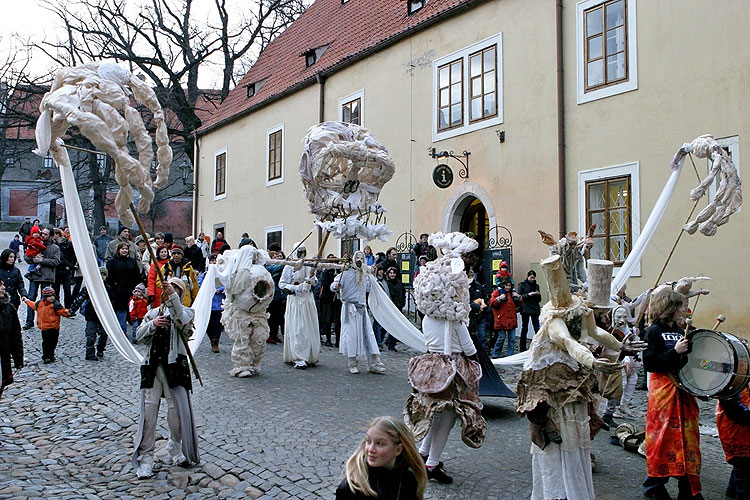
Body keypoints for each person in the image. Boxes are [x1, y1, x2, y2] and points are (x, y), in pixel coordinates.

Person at [515, 255, 644, 500]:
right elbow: (568, 342)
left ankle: (571, 491)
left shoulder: (579, 307)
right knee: (553, 434)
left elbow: (595, 332)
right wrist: (593, 361)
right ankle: (555, 493)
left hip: (571, 375)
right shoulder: (553, 320)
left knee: (574, 431)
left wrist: (621, 347)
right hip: (548, 378)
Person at [407, 232, 486, 485]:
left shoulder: (428, 318)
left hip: (431, 366)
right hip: (453, 369)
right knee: (448, 416)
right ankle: (431, 463)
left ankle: (422, 455)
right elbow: (469, 347)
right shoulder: (453, 319)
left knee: (434, 413)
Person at [132, 278, 199, 479]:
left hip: (174, 369)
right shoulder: (153, 313)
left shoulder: (186, 311)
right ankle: (146, 458)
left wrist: (173, 297)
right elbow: (139, 336)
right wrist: (152, 324)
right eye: (169, 288)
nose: (171, 291)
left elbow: (183, 321)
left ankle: (175, 447)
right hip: (152, 368)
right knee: (149, 416)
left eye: (177, 289)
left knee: (176, 415)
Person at [642, 287, 703, 500]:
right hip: (664, 393)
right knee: (663, 439)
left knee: (688, 439)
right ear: (669, 307)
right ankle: (654, 486)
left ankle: (689, 490)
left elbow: (688, 364)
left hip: (683, 391)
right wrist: (674, 351)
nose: (684, 310)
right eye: (680, 306)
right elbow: (650, 363)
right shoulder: (653, 331)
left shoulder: (680, 331)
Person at [336, 416, 427, 500]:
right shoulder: (353, 486)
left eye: (380, 444)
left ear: (398, 450)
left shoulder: (408, 482)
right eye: (368, 441)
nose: (371, 449)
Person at [331, 251, 385, 374]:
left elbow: (368, 288)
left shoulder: (364, 274)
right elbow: (333, 285)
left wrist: (373, 277)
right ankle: (352, 363)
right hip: (349, 310)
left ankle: (373, 363)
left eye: (362, 258)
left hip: (362, 309)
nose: (360, 260)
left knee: (368, 335)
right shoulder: (345, 273)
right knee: (351, 336)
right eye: (358, 258)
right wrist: (336, 286)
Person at [279, 242, 320, 369]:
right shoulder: (289, 267)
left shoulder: (308, 265)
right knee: (298, 328)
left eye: (304, 252)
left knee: (309, 327)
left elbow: (314, 281)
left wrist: (311, 279)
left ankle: (309, 355)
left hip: (307, 300)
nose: (302, 255)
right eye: (299, 252)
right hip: (296, 302)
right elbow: (282, 284)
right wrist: (296, 287)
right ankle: (298, 356)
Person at [70, 268, 112, 360]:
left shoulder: (108, 289)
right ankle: (89, 353)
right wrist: (72, 309)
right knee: (91, 335)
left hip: (104, 316)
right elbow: (80, 299)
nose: (101, 276)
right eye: (100, 274)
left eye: (103, 275)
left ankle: (100, 349)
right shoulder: (89, 288)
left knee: (104, 334)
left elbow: (113, 303)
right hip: (91, 315)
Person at [716, 387, 750, 500]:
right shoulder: (732, 379)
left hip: (741, 435)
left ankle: (732, 492)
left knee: (742, 470)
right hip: (739, 435)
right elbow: (734, 410)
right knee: (744, 470)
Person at [23, 228, 60, 330]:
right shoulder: (35, 242)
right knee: (31, 298)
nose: (42, 235)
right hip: (34, 277)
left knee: (46, 301)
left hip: (47, 277)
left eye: (45, 234)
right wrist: (32, 259)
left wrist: (42, 260)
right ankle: (29, 321)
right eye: (42, 233)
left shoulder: (55, 248)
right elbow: (26, 256)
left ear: (50, 236)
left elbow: (56, 262)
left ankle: (45, 320)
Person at [23, 286, 70, 363]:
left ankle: (51, 354)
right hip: (45, 328)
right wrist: (27, 301)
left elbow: (61, 311)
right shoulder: (40, 303)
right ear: (45, 297)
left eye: (52, 296)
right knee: (46, 343)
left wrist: (66, 312)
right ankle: (46, 356)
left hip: (54, 327)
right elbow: (33, 305)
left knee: (54, 342)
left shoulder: (56, 304)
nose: (51, 298)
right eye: (49, 296)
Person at [107, 241, 143, 336]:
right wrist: (113, 289)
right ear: (118, 250)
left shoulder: (132, 261)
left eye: (126, 249)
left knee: (133, 311)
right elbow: (109, 278)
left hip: (131, 290)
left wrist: (137, 289)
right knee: (121, 311)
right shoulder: (112, 262)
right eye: (122, 249)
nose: (124, 250)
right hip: (118, 291)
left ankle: (136, 334)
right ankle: (122, 332)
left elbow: (137, 276)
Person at [0, 278, 24, 399]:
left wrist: (18, 359)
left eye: (3, 285)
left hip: (3, 357)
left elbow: (15, 335)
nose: (3, 288)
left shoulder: (9, 308)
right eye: (0, 286)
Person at [198, 254, 224, 353]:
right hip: (208, 304)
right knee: (208, 324)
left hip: (219, 304)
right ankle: (212, 339)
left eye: (215, 261)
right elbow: (200, 285)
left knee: (217, 324)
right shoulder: (204, 275)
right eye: (212, 260)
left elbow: (227, 284)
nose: (214, 262)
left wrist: (220, 290)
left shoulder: (221, 274)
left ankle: (215, 341)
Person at [489, 280, 521, 358]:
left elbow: (519, 303)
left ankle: (510, 355)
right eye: (506, 285)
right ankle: (496, 354)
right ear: (503, 285)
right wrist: (499, 298)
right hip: (502, 319)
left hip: (512, 319)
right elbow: (492, 303)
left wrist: (519, 297)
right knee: (501, 338)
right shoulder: (497, 292)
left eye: (509, 286)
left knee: (512, 339)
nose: (508, 287)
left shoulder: (512, 293)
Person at [318, 254, 340, 347]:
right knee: (328, 320)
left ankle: (338, 341)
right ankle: (328, 339)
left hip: (337, 300)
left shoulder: (339, 272)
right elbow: (325, 284)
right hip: (327, 299)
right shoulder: (325, 273)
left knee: (338, 320)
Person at [265, 246, 285, 345]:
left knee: (277, 317)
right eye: (276, 256)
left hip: (279, 295)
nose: (277, 257)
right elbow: (278, 267)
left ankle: (274, 334)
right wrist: (285, 262)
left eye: (279, 256)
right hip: (271, 295)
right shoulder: (269, 266)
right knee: (271, 317)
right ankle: (269, 335)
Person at [517, 270, 541, 352]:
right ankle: (522, 347)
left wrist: (538, 294)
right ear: (527, 276)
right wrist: (528, 295)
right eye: (531, 277)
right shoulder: (522, 285)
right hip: (526, 309)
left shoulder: (536, 285)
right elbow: (519, 296)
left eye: (534, 278)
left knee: (537, 328)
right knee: (525, 328)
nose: (532, 279)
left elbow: (539, 300)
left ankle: (539, 345)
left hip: (535, 309)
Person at [53, 228, 76, 309]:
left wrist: (70, 266)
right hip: (56, 269)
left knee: (67, 290)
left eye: (54, 234)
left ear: (57, 234)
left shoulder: (68, 244)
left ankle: (68, 308)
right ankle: (58, 307)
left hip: (66, 269)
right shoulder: (53, 244)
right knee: (56, 290)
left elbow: (73, 256)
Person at [384, 267, 405, 352]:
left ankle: (389, 341)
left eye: (393, 273)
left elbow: (402, 293)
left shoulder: (399, 283)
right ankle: (390, 343)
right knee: (392, 326)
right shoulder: (387, 284)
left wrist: (402, 302)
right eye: (391, 273)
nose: (392, 275)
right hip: (391, 307)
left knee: (397, 326)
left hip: (398, 306)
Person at [147, 245, 170, 309]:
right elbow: (151, 280)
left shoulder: (171, 263)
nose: (164, 254)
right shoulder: (154, 265)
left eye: (165, 252)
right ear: (158, 254)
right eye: (162, 252)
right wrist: (151, 293)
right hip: (158, 292)